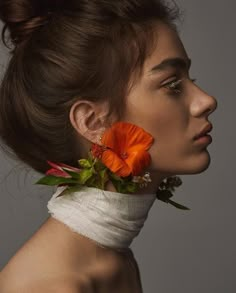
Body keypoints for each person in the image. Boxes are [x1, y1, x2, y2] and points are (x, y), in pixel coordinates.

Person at [0, 0, 217, 292]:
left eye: (191, 79)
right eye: (172, 85)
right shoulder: (55, 286)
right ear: (92, 123)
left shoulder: (113, 259)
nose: (206, 101)